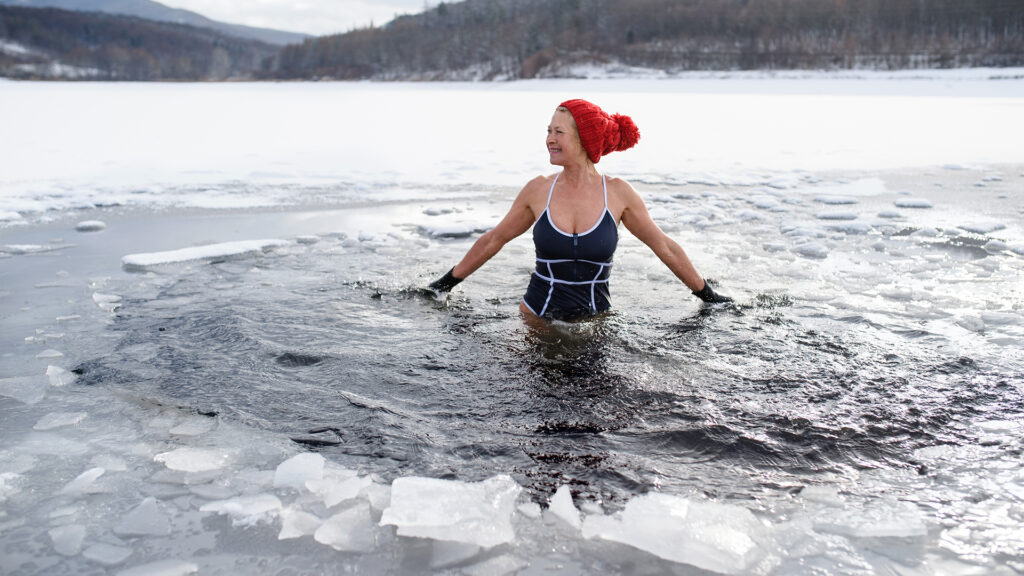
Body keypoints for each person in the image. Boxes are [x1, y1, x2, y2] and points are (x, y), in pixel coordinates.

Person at [428, 98, 731, 321]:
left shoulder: (618, 194)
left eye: (559, 132)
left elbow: (663, 246)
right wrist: (444, 284)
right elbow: (495, 239)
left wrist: (707, 296)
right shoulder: (538, 190)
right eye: (548, 131)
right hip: (536, 318)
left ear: (584, 139)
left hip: (595, 320)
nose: (549, 139)